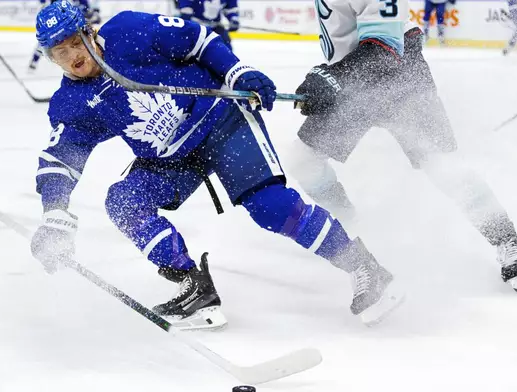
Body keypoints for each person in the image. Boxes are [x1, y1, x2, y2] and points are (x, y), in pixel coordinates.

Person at [29, 1, 404, 330]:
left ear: (89, 31)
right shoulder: (70, 102)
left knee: (272, 208)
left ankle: (365, 266)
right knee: (124, 201)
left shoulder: (129, 30)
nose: (73, 56)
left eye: (76, 43)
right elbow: (59, 159)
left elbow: (198, 40)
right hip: (173, 158)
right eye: (60, 53)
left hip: (221, 123)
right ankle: (195, 288)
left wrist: (237, 73)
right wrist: (54, 214)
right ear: (50, 58)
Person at [287, 0, 517, 293]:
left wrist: (332, 78)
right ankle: (353, 229)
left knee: (442, 166)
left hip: (397, 71)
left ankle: (507, 239)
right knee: (305, 160)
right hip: (351, 76)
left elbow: (384, 49)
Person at [28, 0, 101, 71]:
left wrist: (90, 13)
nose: (73, 56)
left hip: (69, 26)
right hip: (57, 27)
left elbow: (84, 8)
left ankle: (34, 60)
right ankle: (34, 60)